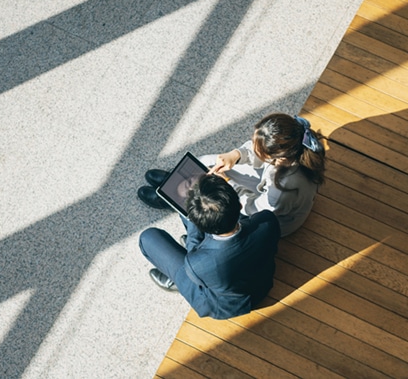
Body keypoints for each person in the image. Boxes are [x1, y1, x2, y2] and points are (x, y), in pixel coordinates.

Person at [138, 113, 325, 236]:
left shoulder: (284, 189)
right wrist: (235, 155)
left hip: (270, 219)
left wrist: (228, 185)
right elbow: (257, 148)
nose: (252, 146)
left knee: (215, 200)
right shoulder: (294, 146)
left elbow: (255, 210)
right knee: (206, 162)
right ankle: (175, 183)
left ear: (277, 158)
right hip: (268, 188)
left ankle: (172, 197)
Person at [139, 174, 280, 319]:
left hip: (223, 304)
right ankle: (177, 198)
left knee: (148, 238)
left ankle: (177, 282)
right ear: (239, 205)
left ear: (203, 228)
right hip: (262, 285)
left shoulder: (197, 265)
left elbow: (192, 254)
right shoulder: (266, 221)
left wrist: (192, 220)